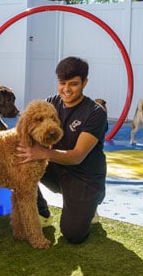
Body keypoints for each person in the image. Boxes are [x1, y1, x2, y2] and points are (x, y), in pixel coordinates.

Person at [16, 56, 108, 244]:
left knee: (73, 234)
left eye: (73, 84)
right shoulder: (51, 103)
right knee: (21, 161)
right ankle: (42, 212)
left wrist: (43, 153)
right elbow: (27, 128)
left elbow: (77, 156)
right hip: (56, 168)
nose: (66, 89)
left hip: (85, 177)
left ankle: (90, 205)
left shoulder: (95, 113)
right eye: (62, 83)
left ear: (85, 83)